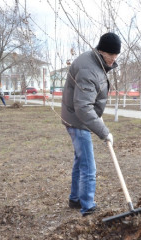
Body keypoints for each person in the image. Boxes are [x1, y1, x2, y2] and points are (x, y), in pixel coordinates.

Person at [61, 32, 121, 216]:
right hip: (77, 120)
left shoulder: (96, 63)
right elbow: (83, 108)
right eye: (111, 55)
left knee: (80, 160)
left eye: (116, 56)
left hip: (76, 117)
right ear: (102, 51)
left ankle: (75, 199)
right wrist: (104, 132)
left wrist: (96, 115)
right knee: (88, 165)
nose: (113, 59)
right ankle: (88, 206)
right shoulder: (89, 69)